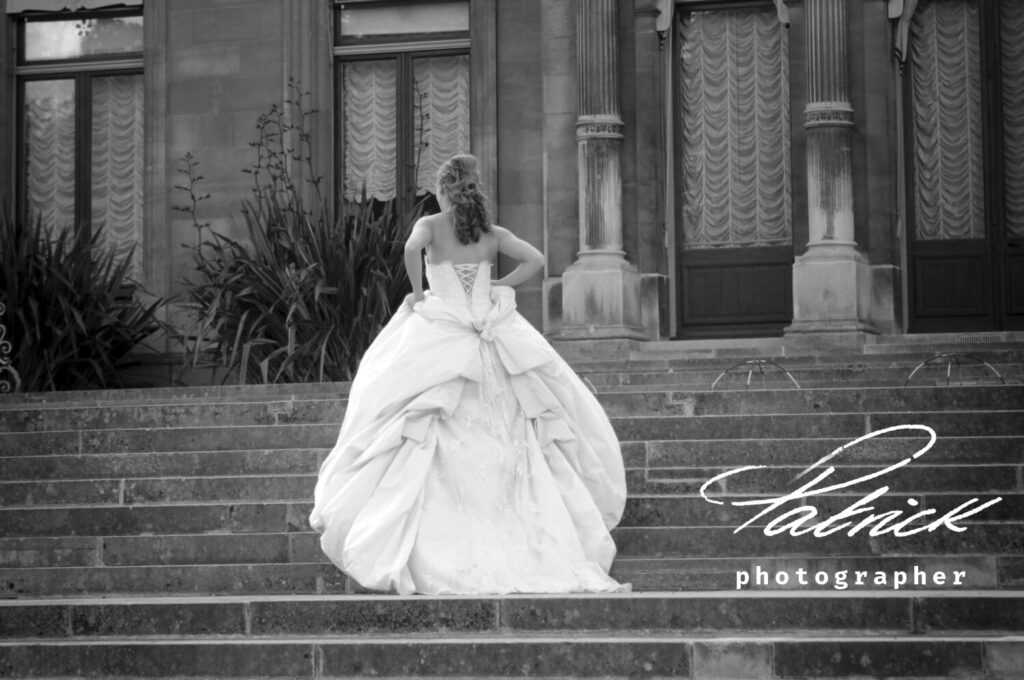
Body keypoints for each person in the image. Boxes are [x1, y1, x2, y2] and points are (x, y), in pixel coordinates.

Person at [309, 154, 627, 595]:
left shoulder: (433, 225)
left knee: (422, 415)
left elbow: (408, 248)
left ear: (443, 190)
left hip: (444, 327)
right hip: (490, 328)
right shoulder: (491, 234)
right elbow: (535, 259)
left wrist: (419, 294)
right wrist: (500, 285)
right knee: (515, 422)